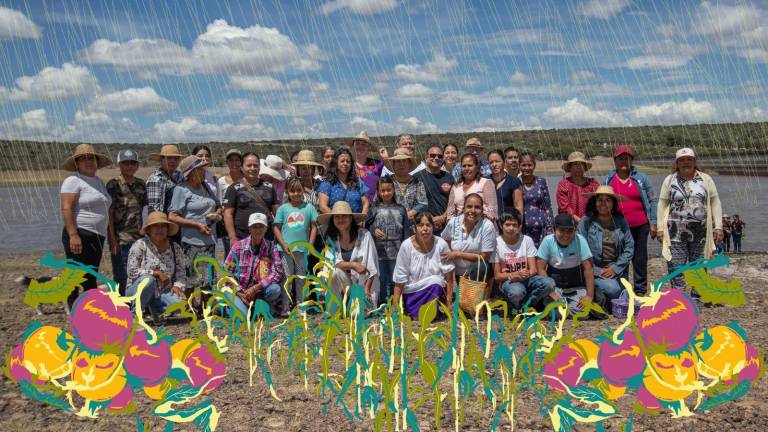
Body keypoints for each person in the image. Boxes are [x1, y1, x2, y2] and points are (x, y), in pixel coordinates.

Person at [657, 148, 723, 291]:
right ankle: (679, 297)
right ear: (677, 163)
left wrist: (718, 226)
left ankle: (698, 295)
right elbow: (662, 204)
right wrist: (660, 228)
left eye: (689, 159)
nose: (686, 162)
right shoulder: (669, 180)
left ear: (694, 161)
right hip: (675, 231)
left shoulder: (705, 179)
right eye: (682, 160)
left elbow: (715, 202)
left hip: (701, 231)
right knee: (676, 265)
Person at [60, 144, 113, 310]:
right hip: (80, 232)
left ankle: (89, 308)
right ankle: (72, 307)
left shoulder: (98, 182)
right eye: (83, 159)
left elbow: (107, 210)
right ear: (77, 163)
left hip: (97, 235)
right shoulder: (73, 181)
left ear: (97, 162)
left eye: (91, 158)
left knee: (90, 274)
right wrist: (73, 234)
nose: (88, 161)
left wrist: (111, 235)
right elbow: (67, 207)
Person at [603, 145, 657, 296]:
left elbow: (652, 200)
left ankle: (640, 292)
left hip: (640, 225)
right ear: (615, 161)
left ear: (631, 160)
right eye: (620, 158)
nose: (623, 161)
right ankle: (622, 291)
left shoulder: (641, 178)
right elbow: (603, 200)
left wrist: (653, 222)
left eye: (627, 158)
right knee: (619, 258)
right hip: (617, 226)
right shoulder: (608, 179)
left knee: (639, 259)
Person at [168, 155, 221, 293]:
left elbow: (217, 204)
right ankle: (191, 310)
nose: (204, 172)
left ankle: (205, 310)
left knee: (207, 279)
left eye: (203, 169)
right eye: (200, 169)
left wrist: (217, 214)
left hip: (209, 240)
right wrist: (196, 225)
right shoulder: (181, 189)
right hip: (191, 242)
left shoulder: (205, 186)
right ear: (191, 173)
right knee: (191, 278)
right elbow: (172, 216)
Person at [528, 213, 596, 315]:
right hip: (556, 288)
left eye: (570, 231)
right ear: (554, 230)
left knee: (584, 311)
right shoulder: (548, 241)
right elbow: (540, 268)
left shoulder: (580, 240)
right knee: (555, 312)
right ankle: (562, 309)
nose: (566, 235)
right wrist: (551, 293)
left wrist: (589, 296)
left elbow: (588, 269)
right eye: (561, 230)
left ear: (575, 230)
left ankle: (566, 308)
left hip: (576, 287)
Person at [392, 211, 455, 317]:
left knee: (436, 281)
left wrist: (449, 305)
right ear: (414, 228)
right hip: (413, 292)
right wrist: (395, 307)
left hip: (435, 291)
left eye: (428, 225)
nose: (425, 229)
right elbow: (400, 278)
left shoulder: (441, 244)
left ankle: (431, 312)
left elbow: (449, 277)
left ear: (433, 227)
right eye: (421, 225)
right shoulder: (406, 246)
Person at [577, 186, 634, 304]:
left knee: (625, 292)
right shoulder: (586, 221)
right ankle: (594, 289)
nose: (603, 203)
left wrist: (616, 268)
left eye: (608, 200)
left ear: (613, 203)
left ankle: (604, 295)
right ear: (595, 202)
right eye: (600, 200)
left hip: (617, 269)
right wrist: (597, 271)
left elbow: (629, 247)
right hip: (594, 269)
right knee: (614, 289)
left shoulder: (620, 221)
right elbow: (579, 249)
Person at [125, 212, 187, 320]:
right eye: (156, 226)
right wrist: (156, 273)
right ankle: (135, 315)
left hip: (163, 291)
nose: (160, 230)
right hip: (137, 290)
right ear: (148, 230)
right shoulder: (140, 245)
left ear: (167, 229)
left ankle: (154, 309)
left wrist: (177, 286)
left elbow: (182, 272)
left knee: (181, 304)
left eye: (163, 226)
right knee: (148, 280)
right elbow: (131, 271)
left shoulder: (175, 247)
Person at [224, 212, 284, 318]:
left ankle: (255, 306)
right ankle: (228, 307)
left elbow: (278, 272)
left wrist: (256, 288)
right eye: (254, 227)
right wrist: (239, 292)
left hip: (259, 291)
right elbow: (226, 274)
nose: (258, 230)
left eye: (261, 226)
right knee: (243, 317)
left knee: (275, 289)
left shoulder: (271, 247)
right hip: (238, 290)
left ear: (266, 228)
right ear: (249, 229)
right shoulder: (238, 247)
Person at [320, 201, 380, 306]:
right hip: (343, 282)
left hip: (362, 283)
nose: (340, 219)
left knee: (357, 315)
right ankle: (336, 306)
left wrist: (366, 290)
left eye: (344, 216)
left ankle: (356, 302)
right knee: (333, 272)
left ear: (351, 218)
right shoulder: (331, 238)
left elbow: (372, 266)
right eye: (337, 217)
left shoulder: (365, 235)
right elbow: (330, 262)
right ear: (333, 220)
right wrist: (353, 265)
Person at [273, 177, 318, 312]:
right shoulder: (283, 209)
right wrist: (283, 243)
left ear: (303, 191)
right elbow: (276, 227)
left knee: (301, 278)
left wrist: (310, 245)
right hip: (286, 250)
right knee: (287, 278)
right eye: (293, 191)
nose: (296, 194)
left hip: (302, 251)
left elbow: (314, 226)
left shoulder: (309, 207)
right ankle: (285, 306)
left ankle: (300, 305)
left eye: (299, 191)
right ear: (287, 192)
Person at [441, 193, 496, 300]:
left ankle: (480, 298)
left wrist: (457, 254)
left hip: (478, 272)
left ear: (482, 210)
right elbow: (445, 241)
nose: (473, 210)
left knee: (480, 266)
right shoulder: (453, 222)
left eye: (477, 207)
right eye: (469, 206)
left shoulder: (487, 226)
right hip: (459, 273)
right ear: (463, 208)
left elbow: (484, 257)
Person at [106, 149, 147, 295]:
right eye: (125, 163)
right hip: (120, 238)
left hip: (138, 238)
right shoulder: (113, 185)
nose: (129, 166)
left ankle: (137, 303)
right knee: (121, 274)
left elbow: (144, 209)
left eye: (132, 163)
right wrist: (112, 240)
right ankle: (120, 305)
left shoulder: (141, 185)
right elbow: (108, 213)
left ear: (137, 165)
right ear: (119, 165)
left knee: (138, 272)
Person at [366, 177, 411, 305]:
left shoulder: (401, 209)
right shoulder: (373, 209)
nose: (386, 193)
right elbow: (366, 227)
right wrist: (373, 230)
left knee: (394, 279)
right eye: (383, 190)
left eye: (388, 190)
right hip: (378, 252)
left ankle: (394, 304)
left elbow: (406, 231)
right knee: (381, 279)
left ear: (394, 190)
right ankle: (382, 304)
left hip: (397, 252)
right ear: (378, 192)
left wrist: (406, 249)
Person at [223, 152, 278, 245]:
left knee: (266, 260)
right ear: (242, 168)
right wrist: (232, 237)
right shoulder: (234, 188)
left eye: (255, 165)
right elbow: (228, 214)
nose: (252, 168)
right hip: (242, 237)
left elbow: (277, 212)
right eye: (249, 165)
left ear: (259, 167)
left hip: (267, 237)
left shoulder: (269, 187)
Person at [491, 210, 537, 312]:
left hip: (527, 277)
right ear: (500, 225)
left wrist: (525, 274)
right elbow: (497, 276)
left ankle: (526, 304)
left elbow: (533, 269)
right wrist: (513, 275)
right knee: (516, 292)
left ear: (520, 226)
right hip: (509, 280)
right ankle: (515, 303)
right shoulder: (496, 244)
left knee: (548, 283)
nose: (511, 228)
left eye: (514, 225)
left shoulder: (527, 240)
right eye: (507, 224)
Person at [413, 145, 455, 232]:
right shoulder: (416, 177)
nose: (436, 158)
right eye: (432, 155)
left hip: (445, 226)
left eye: (440, 156)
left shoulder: (449, 178)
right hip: (423, 227)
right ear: (426, 157)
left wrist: (443, 217)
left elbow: (453, 202)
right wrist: (429, 219)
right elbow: (413, 202)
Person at [317, 148, 369, 215]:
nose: (345, 163)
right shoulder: (327, 183)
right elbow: (323, 207)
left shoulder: (358, 182)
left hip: (356, 223)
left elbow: (365, 203)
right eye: (342, 161)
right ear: (336, 163)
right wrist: (341, 219)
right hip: (335, 223)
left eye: (348, 161)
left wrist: (362, 218)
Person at [446, 154, 498, 221]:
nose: (467, 168)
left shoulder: (486, 183)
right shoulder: (455, 187)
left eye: (470, 165)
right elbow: (450, 211)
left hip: (482, 227)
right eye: (464, 166)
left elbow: (492, 211)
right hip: (460, 227)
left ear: (477, 168)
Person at [520, 152, 554, 247]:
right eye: (523, 165)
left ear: (534, 166)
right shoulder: (516, 182)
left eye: (529, 165)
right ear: (519, 166)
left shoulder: (541, 181)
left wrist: (550, 227)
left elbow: (547, 206)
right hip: (523, 230)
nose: (527, 168)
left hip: (541, 229)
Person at [557, 151, 599, 224]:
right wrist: (579, 221)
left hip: (591, 222)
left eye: (581, 164)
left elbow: (599, 204)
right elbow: (564, 207)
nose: (579, 167)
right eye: (575, 164)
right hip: (569, 224)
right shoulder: (563, 184)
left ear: (585, 167)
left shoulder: (593, 183)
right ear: (570, 167)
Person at [386, 148, 428, 220]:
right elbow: (377, 202)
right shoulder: (386, 181)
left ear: (409, 164)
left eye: (404, 161)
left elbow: (423, 203)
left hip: (411, 223)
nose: (401, 164)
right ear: (394, 164)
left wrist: (409, 213)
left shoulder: (417, 181)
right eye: (398, 161)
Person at [217, 149, 243, 258]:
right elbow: (220, 201)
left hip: (243, 222)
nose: (234, 163)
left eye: (237, 160)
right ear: (227, 162)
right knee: (229, 255)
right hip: (227, 223)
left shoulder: (246, 180)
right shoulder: (221, 181)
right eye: (231, 160)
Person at [348, 130, 384, 204]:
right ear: (353, 146)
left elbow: (388, 163)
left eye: (364, 144)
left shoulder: (378, 164)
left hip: (374, 206)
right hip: (353, 206)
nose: (360, 146)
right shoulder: (347, 164)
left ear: (368, 148)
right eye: (357, 144)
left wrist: (378, 149)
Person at [146, 144, 184, 214]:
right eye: (169, 158)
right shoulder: (156, 179)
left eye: (176, 158)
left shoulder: (178, 176)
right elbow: (155, 210)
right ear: (161, 160)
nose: (173, 161)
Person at [488, 149, 523, 220]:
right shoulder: (485, 181)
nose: (494, 164)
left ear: (504, 162)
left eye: (497, 161)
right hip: (488, 227)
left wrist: (518, 228)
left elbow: (519, 208)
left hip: (508, 226)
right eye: (491, 162)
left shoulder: (514, 182)